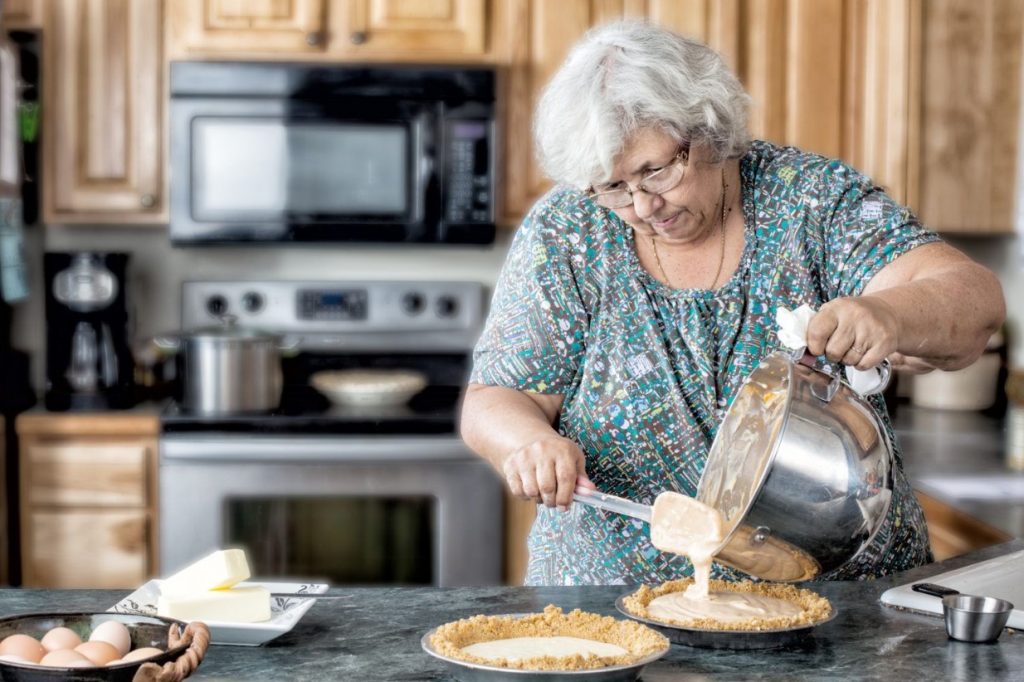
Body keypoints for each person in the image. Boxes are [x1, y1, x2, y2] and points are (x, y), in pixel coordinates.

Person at [460, 21, 1005, 586]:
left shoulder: (809, 200)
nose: (643, 205)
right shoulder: (569, 229)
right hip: (615, 609)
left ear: (711, 129)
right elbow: (497, 396)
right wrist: (528, 443)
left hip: (839, 603)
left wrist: (890, 315)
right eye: (612, 186)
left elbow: (974, 300)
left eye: (655, 170)